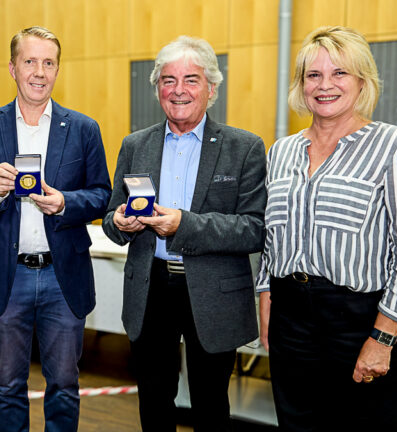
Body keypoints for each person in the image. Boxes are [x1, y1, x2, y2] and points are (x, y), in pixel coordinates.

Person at [102, 35, 267, 431]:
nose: (178, 91)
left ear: (211, 88)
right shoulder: (134, 145)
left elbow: (254, 229)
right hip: (151, 289)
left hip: (213, 293)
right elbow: (110, 217)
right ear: (157, 87)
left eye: (191, 80)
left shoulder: (244, 148)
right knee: (154, 400)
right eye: (168, 80)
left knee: (211, 405)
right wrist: (120, 224)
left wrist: (184, 224)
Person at [0, 26, 111, 432]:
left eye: (48, 62)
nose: (39, 72)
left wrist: (64, 202)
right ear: (12, 68)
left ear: (58, 70)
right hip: (8, 277)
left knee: (64, 384)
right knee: (8, 385)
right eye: (30, 61)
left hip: (64, 278)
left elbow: (101, 195)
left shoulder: (83, 129)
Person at [257, 26, 397, 431]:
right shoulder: (282, 151)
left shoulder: (393, 146)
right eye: (314, 75)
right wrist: (266, 294)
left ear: (363, 81)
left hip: (359, 320)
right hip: (290, 317)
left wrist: (384, 337)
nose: (325, 85)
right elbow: (271, 236)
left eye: (340, 73)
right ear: (301, 84)